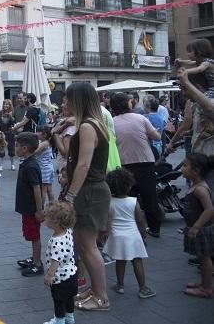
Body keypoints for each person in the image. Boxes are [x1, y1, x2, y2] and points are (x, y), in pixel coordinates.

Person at [63, 83, 111, 311]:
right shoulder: (91, 124)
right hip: (91, 190)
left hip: (89, 191)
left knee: (88, 246)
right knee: (82, 245)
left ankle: (101, 296)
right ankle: (95, 290)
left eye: (66, 99)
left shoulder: (87, 128)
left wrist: (70, 195)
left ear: (77, 101)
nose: (63, 104)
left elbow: (83, 165)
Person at [111, 92, 163, 237]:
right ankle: (155, 228)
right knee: (150, 196)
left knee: (128, 196)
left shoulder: (112, 122)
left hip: (124, 163)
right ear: (127, 104)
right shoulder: (141, 118)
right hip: (145, 160)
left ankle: (130, 226)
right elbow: (156, 137)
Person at [102, 168, 156, 299]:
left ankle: (120, 285)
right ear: (129, 185)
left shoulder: (110, 202)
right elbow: (140, 220)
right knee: (137, 261)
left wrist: (106, 235)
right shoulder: (133, 202)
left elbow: (108, 222)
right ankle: (143, 288)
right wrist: (143, 235)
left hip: (117, 236)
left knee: (120, 261)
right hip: (133, 235)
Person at [180, 153, 214, 299]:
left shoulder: (200, 189)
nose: (181, 168)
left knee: (205, 259)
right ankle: (204, 284)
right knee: (201, 259)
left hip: (202, 230)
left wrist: (196, 227)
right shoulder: (196, 186)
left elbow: (209, 209)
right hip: (198, 228)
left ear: (196, 170)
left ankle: (206, 289)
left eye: (185, 165)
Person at [14, 132, 44, 276]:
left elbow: (37, 188)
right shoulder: (27, 163)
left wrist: (39, 209)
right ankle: (34, 258)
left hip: (32, 209)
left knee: (34, 235)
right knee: (31, 234)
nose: (16, 148)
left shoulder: (31, 166)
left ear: (25, 148)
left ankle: (37, 264)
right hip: (27, 208)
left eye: (17, 146)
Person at [42, 201, 78, 324]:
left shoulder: (57, 241)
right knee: (69, 299)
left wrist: (50, 275)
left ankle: (60, 321)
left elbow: (55, 260)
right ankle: (70, 318)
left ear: (55, 222)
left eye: (47, 217)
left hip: (60, 278)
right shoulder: (68, 231)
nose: (45, 219)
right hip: (72, 275)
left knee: (59, 301)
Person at [35, 126, 55, 204]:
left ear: (45, 134)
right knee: (49, 189)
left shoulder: (44, 143)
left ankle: (41, 208)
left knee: (43, 190)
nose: (37, 133)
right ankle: (53, 206)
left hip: (44, 168)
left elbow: (34, 152)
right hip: (48, 167)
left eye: (39, 132)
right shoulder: (47, 142)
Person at [0, 100, 16, 171]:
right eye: (4, 104)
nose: (5, 105)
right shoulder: (0, 112)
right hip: (2, 132)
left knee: (11, 149)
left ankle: (12, 164)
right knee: (1, 149)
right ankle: (1, 165)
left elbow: (14, 122)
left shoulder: (12, 112)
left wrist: (10, 116)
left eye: (7, 104)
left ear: (10, 105)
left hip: (10, 133)